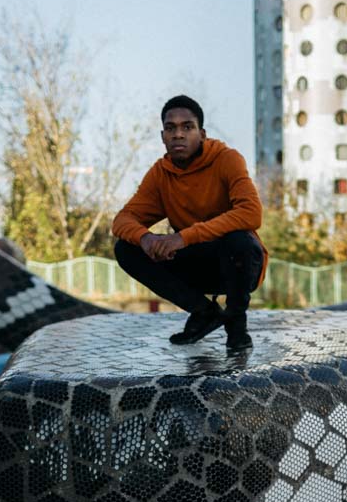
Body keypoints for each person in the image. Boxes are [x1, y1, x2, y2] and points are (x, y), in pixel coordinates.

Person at [112, 95, 268, 350]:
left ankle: (236, 326)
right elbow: (122, 219)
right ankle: (203, 312)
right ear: (163, 136)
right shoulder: (161, 174)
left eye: (187, 127)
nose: (178, 134)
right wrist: (146, 238)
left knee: (238, 240)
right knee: (126, 248)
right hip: (195, 266)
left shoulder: (227, 159)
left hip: (240, 265)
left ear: (202, 134)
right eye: (170, 128)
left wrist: (182, 237)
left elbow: (251, 213)